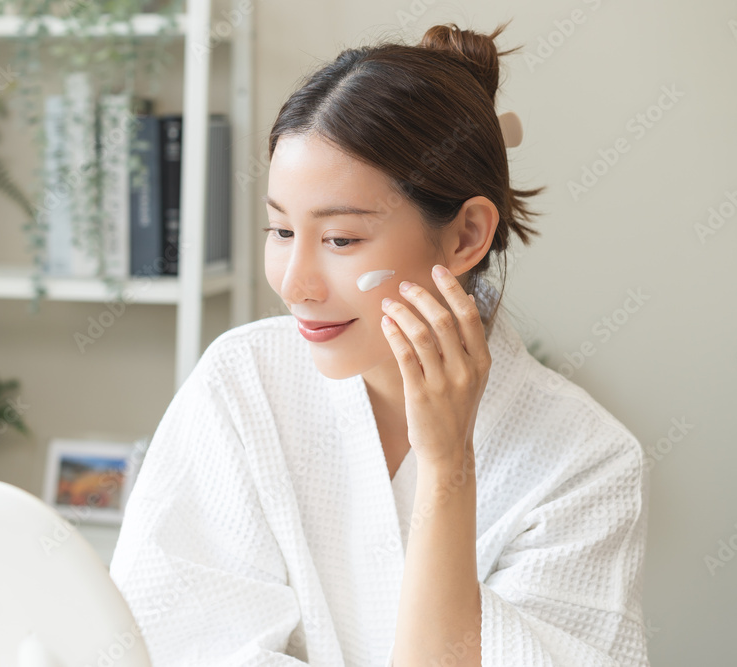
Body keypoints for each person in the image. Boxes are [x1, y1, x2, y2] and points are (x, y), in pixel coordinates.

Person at [109, 21, 651, 667]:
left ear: (465, 236)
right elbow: (172, 642)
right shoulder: (242, 380)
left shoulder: (587, 461)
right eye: (281, 231)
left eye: (341, 239)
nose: (295, 285)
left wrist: (447, 467)